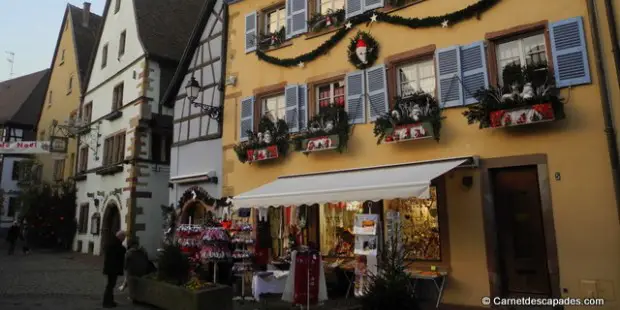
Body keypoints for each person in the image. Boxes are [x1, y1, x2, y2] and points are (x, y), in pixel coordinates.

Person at [103, 230, 126, 308]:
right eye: (123, 237)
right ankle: (106, 302)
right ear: (120, 236)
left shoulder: (112, 241)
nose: (124, 239)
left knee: (111, 285)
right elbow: (119, 252)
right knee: (110, 285)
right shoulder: (114, 243)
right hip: (112, 268)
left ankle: (110, 301)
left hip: (111, 268)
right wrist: (124, 249)